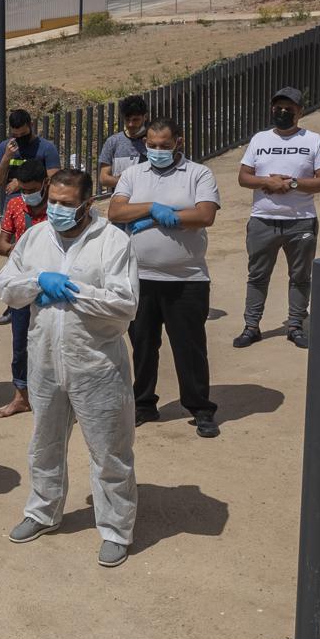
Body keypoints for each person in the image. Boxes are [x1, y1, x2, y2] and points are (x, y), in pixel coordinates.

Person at [0, 169, 141, 567]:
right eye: (52, 201)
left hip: (96, 364)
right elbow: (6, 284)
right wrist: (40, 280)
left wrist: (73, 290)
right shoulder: (36, 236)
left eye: (66, 203)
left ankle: (115, 528)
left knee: (109, 450)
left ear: (86, 204)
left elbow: (124, 304)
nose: (56, 209)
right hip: (44, 359)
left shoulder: (111, 241)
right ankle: (43, 511)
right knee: (44, 444)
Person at [108, 118, 223, 439]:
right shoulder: (133, 174)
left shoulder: (199, 173)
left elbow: (205, 215)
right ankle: (144, 403)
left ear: (179, 143)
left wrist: (157, 218)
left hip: (187, 278)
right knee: (143, 345)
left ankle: (200, 407)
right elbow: (116, 212)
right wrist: (154, 208)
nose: (158, 151)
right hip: (140, 278)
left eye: (165, 145)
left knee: (190, 346)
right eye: (152, 145)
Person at [236, 86, 320, 350]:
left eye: (289, 109)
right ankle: (251, 326)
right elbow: (244, 177)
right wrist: (267, 181)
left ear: (300, 112)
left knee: (300, 276)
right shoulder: (260, 140)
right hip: (262, 220)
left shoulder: (313, 141)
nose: (282, 112)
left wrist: (290, 185)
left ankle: (295, 325)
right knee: (257, 276)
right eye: (278, 108)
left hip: (301, 220)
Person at [0, 158, 49, 418]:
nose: (27, 194)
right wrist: (20, 250)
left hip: (51, 290)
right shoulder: (14, 205)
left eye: (32, 189)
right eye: (23, 190)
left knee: (53, 342)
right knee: (21, 345)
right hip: (24, 288)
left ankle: (55, 399)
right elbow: (1, 245)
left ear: (45, 185)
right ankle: (21, 397)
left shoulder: (58, 208)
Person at [0, 109, 63, 203]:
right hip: (12, 202)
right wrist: (6, 157)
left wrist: (21, 183)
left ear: (31, 125)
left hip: (39, 202)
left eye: (23, 134)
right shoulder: (5, 147)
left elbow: (54, 180)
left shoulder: (47, 148)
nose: (20, 137)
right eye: (15, 135)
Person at [96, 96, 150, 196]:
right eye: (127, 119)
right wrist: (129, 182)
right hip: (120, 199)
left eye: (135, 120)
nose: (130, 124)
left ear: (145, 117)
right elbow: (103, 178)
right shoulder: (113, 141)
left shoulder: (155, 141)